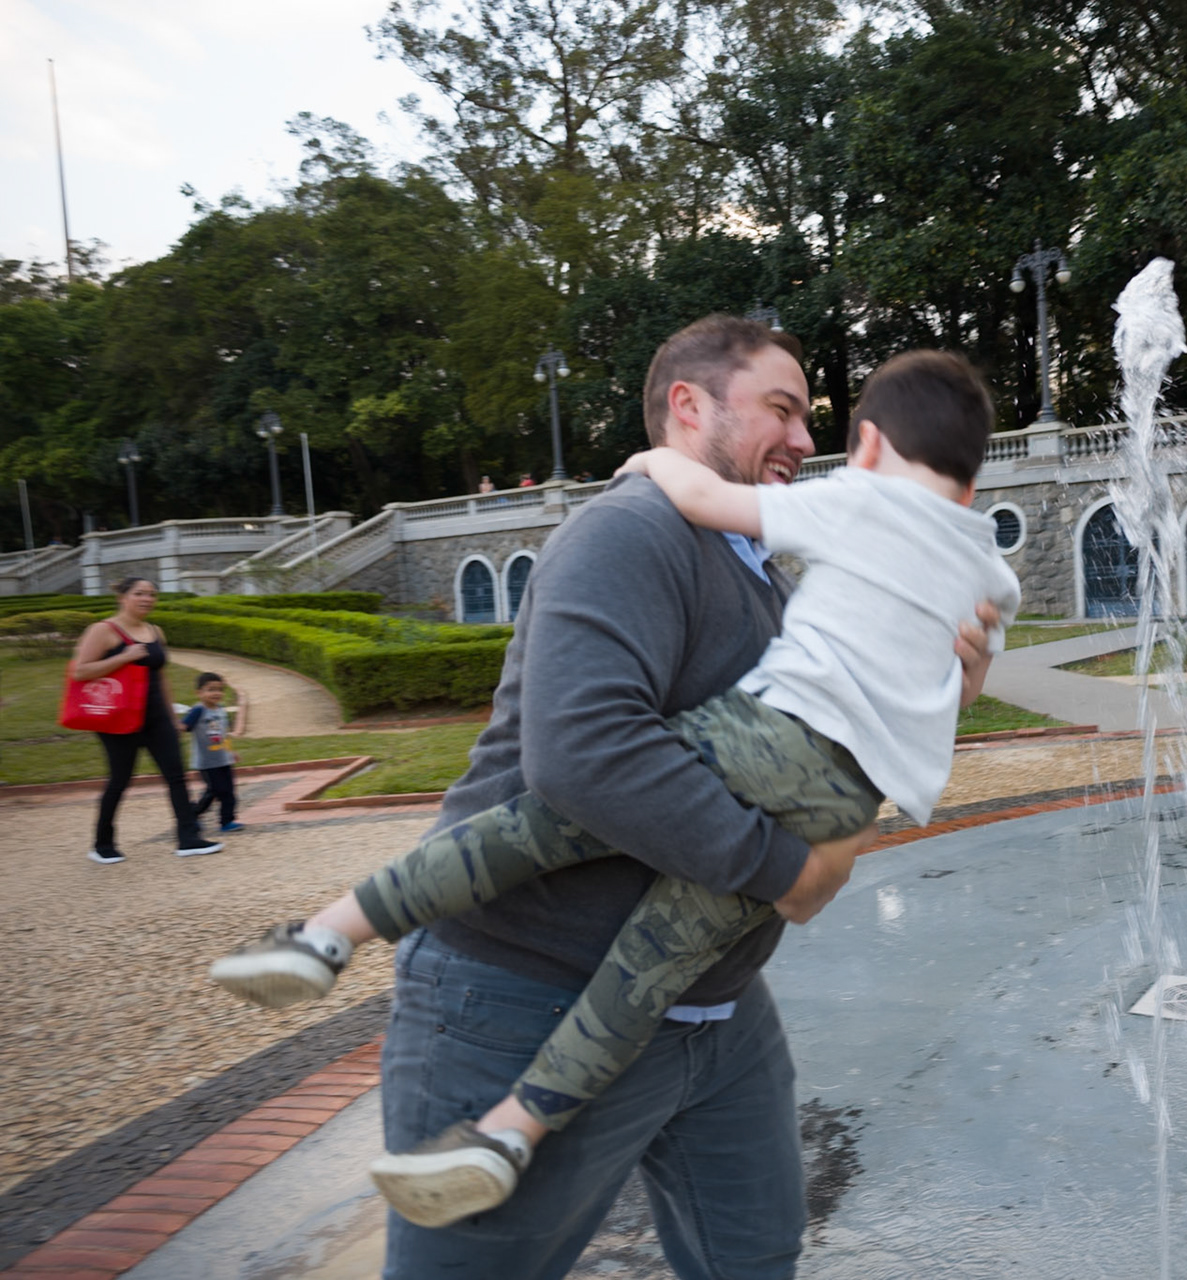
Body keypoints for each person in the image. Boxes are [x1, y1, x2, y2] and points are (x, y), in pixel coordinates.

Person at [246, 316, 997, 1279]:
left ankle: (384, 991)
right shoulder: (630, 529)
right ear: (688, 406)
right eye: (781, 409)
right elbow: (583, 756)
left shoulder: (774, 574)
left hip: (714, 1013)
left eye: (811, 417)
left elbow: (823, 756)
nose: (806, 438)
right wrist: (788, 873)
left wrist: (943, 689)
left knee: (755, 1260)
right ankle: (331, 939)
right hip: (519, 995)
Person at [70, 577, 223, 863]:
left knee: (176, 776)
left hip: (157, 719)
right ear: (122, 597)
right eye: (139, 593)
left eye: (152, 594)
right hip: (119, 719)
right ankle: (102, 844)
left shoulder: (155, 631)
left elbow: (161, 677)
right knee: (120, 780)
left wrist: (172, 718)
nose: (147, 599)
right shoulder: (103, 630)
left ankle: (188, 839)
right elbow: (80, 671)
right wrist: (124, 657)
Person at [182, 671, 243, 833]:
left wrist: (231, 752)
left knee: (229, 791)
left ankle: (227, 821)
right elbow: (184, 727)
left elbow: (224, 735)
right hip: (207, 762)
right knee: (214, 790)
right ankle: (193, 814)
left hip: (224, 759)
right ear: (199, 693)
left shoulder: (221, 710)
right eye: (211, 689)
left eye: (219, 689)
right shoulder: (198, 710)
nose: (216, 693)